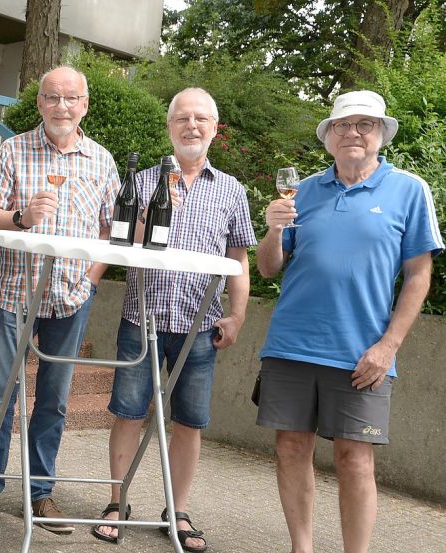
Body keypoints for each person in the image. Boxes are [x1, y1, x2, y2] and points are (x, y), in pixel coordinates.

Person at [255, 90, 442, 553]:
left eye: (364, 124)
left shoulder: (409, 189)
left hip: (362, 352)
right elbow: (267, 268)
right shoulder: (304, 191)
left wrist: (388, 346)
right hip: (292, 343)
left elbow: (419, 276)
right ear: (329, 136)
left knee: (355, 459)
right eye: (343, 125)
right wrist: (273, 230)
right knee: (291, 449)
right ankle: (302, 547)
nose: (353, 132)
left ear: (380, 133)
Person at [91, 88, 256, 552]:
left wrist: (238, 314)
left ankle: (177, 510)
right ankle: (115, 503)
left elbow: (238, 258)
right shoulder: (143, 182)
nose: (192, 126)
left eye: (201, 119)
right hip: (141, 318)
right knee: (128, 413)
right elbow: (120, 244)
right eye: (183, 118)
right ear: (170, 127)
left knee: (190, 421)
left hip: (201, 325)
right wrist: (147, 220)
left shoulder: (231, 190)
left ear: (214, 129)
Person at [0, 66, 120, 533]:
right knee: (0, 394)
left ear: (85, 105)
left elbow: (111, 229)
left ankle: (41, 492)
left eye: (71, 98)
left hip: (73, 296)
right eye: (53, 98)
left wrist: (91, 281)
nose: (62, 107)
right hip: (15, 292)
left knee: (54, 399)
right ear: (40, 104)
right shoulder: (13, 149)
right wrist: (21, 217)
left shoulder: (101, 160)